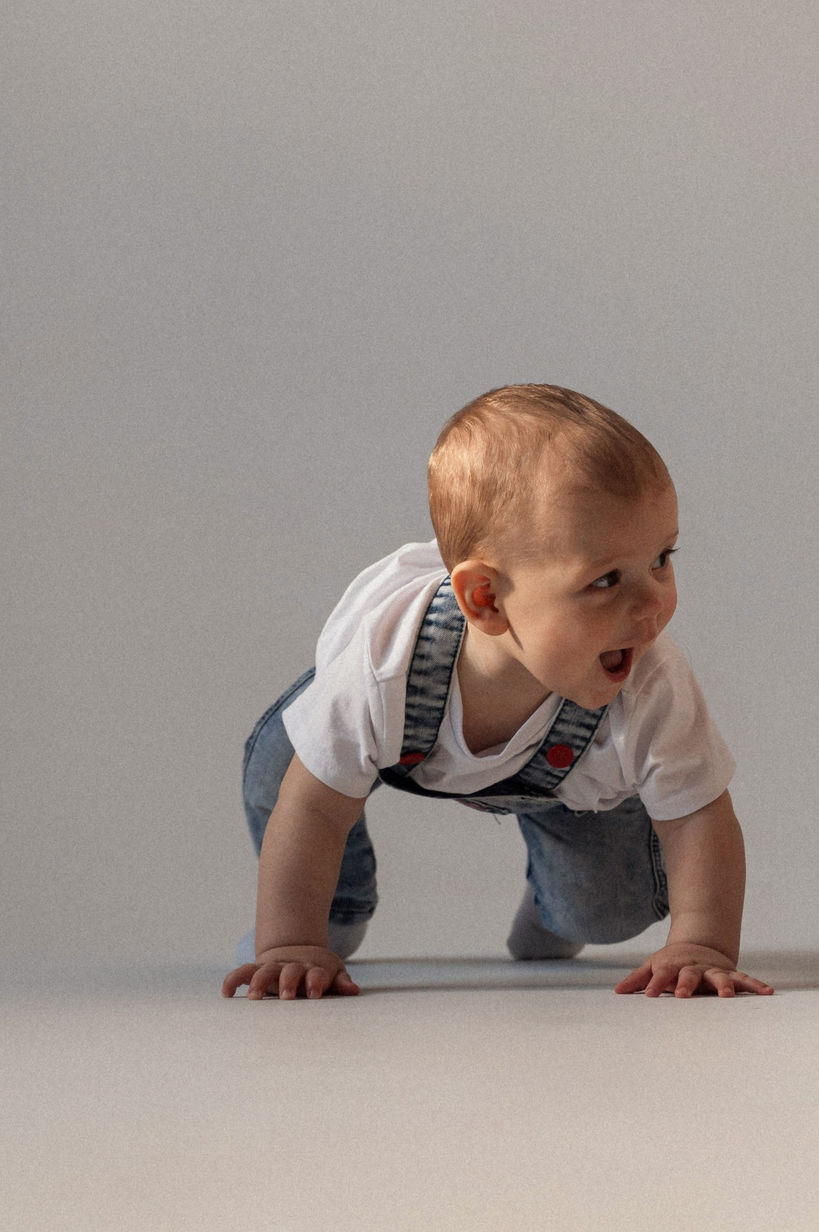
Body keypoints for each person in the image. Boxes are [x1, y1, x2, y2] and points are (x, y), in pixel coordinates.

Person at [224, 384, 772, 1000]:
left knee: (608, 913)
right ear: (485, 598)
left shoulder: (648, 683)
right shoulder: (385, 665)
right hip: (397, 735)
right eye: (607, 579)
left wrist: (701, 944)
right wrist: (290, 942)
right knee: (284, 775)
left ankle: (554, 902)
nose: (652, 605)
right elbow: (317, 808)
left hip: (561, 780)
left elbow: (698, 816)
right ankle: (334, 914)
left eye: (662, 560)